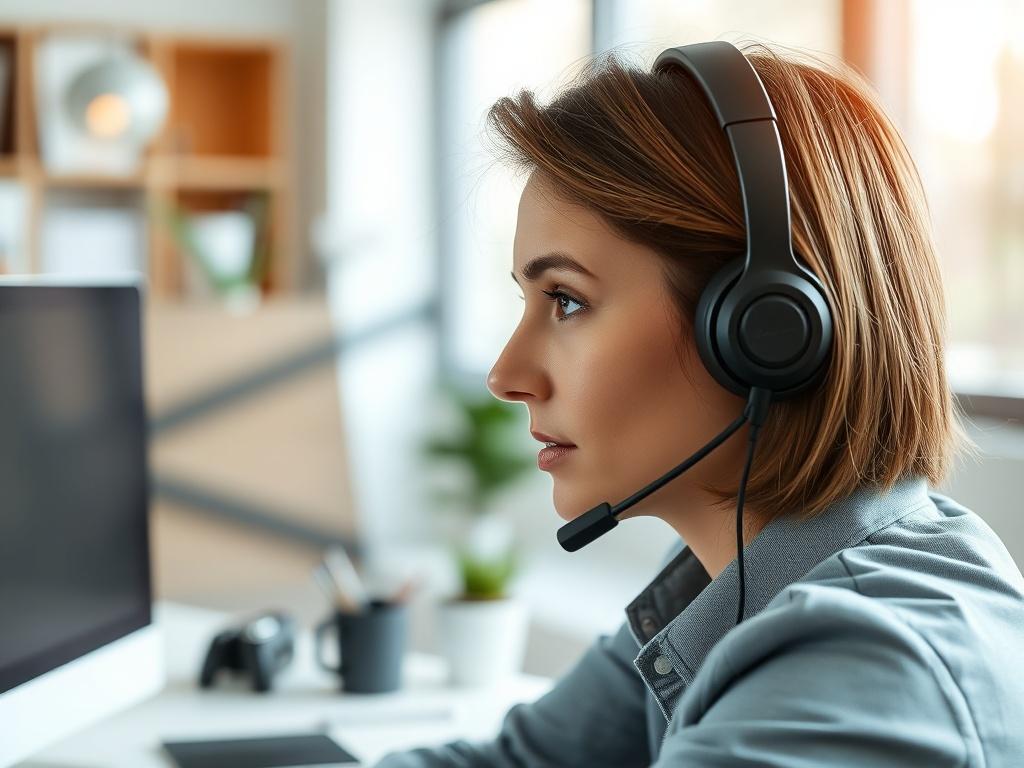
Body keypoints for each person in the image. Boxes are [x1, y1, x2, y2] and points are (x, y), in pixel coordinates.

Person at [374, 40, 1024, 767]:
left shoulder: (861, 674)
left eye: (565, 300)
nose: (505, 374)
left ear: (764, 329)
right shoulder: (736, 579)